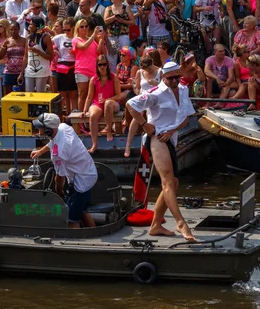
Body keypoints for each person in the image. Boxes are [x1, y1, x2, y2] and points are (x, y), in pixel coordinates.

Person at [126, 61, 196, 241]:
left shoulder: (183, 90)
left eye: (176, 77)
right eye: (170, 78)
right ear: (163, 77)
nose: (174, 81)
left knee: (174, 183)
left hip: (170, 137)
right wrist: (144, 125)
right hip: (156, 137)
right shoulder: (155, 93)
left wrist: (172, 131)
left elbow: (186, 117)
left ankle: (156, 224)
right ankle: (181, 222)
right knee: (168, 182)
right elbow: (131, 105)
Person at [30, 113, 98, 229]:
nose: (38, 130)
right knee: (82, 210)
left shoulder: (60, 153)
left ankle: (77, 244)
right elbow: (54, 142)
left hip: (81, 182)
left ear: (48, 131)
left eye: (40, 128)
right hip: (89, 173)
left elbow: (59, 178)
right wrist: (41, 151)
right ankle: (94, 232)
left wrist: (59, 193)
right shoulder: (63, 127)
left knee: (71, 219)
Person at [81, 54, 121, 152]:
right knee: (93, 115)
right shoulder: (93, 79)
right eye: (100, 65)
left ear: (107, 65)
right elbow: (89, 97)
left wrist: (108, 99)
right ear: (97, 66)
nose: (102, 67)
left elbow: (118, 95)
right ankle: (94, 144)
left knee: (108, 104)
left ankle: (108, 130)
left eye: (104, 64)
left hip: (112, 102)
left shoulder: (113, 77)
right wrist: (84, 110)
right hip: (98, 103)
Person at [73, 19, 106, 112]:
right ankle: (81, 118)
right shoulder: (76, 39)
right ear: (78, 29)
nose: (84, 28)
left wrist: (101, 40)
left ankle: (89, 114)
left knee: (92, 94)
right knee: (82, 94)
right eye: (82, 26)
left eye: (86, 26)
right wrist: (93, 36)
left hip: (93, 70)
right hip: (82, 70)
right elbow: (83, 47)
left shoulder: (91, 39)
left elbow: (100, 52)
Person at [52, 17, 78, 112]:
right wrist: (54, 50)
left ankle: (74, 117)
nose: (66, 32)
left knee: (73, 94)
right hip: (62, 67)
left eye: (68, 29)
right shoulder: (59, 37)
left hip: (73, 66)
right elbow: (46, 43)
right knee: (62, 95)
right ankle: (62, 118)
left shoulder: (77, 38)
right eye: (64, 29)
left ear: (73, 28)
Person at [21, 17, 53, 92]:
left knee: (39, 95)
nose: (29, 26)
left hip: (42, 70)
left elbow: (51, 56)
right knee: (29, 95)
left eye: (31, 24)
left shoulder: (46, 38)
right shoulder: (28, 38)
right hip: (29, 70)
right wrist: (21, 72)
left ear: (37, 26)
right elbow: (25, 56)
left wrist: (38, 51)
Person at [0, 21, 25, 95]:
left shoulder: (24, 41)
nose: (13, 31)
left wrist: (22, 72)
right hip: (9, 71)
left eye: (15, 29)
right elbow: (0, 57)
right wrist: (3, 47)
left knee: (22, 94)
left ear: (19, 29)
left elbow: (26, 56)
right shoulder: (7, 41)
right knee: (7, 94)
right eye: (11, 29)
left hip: (21, 71)